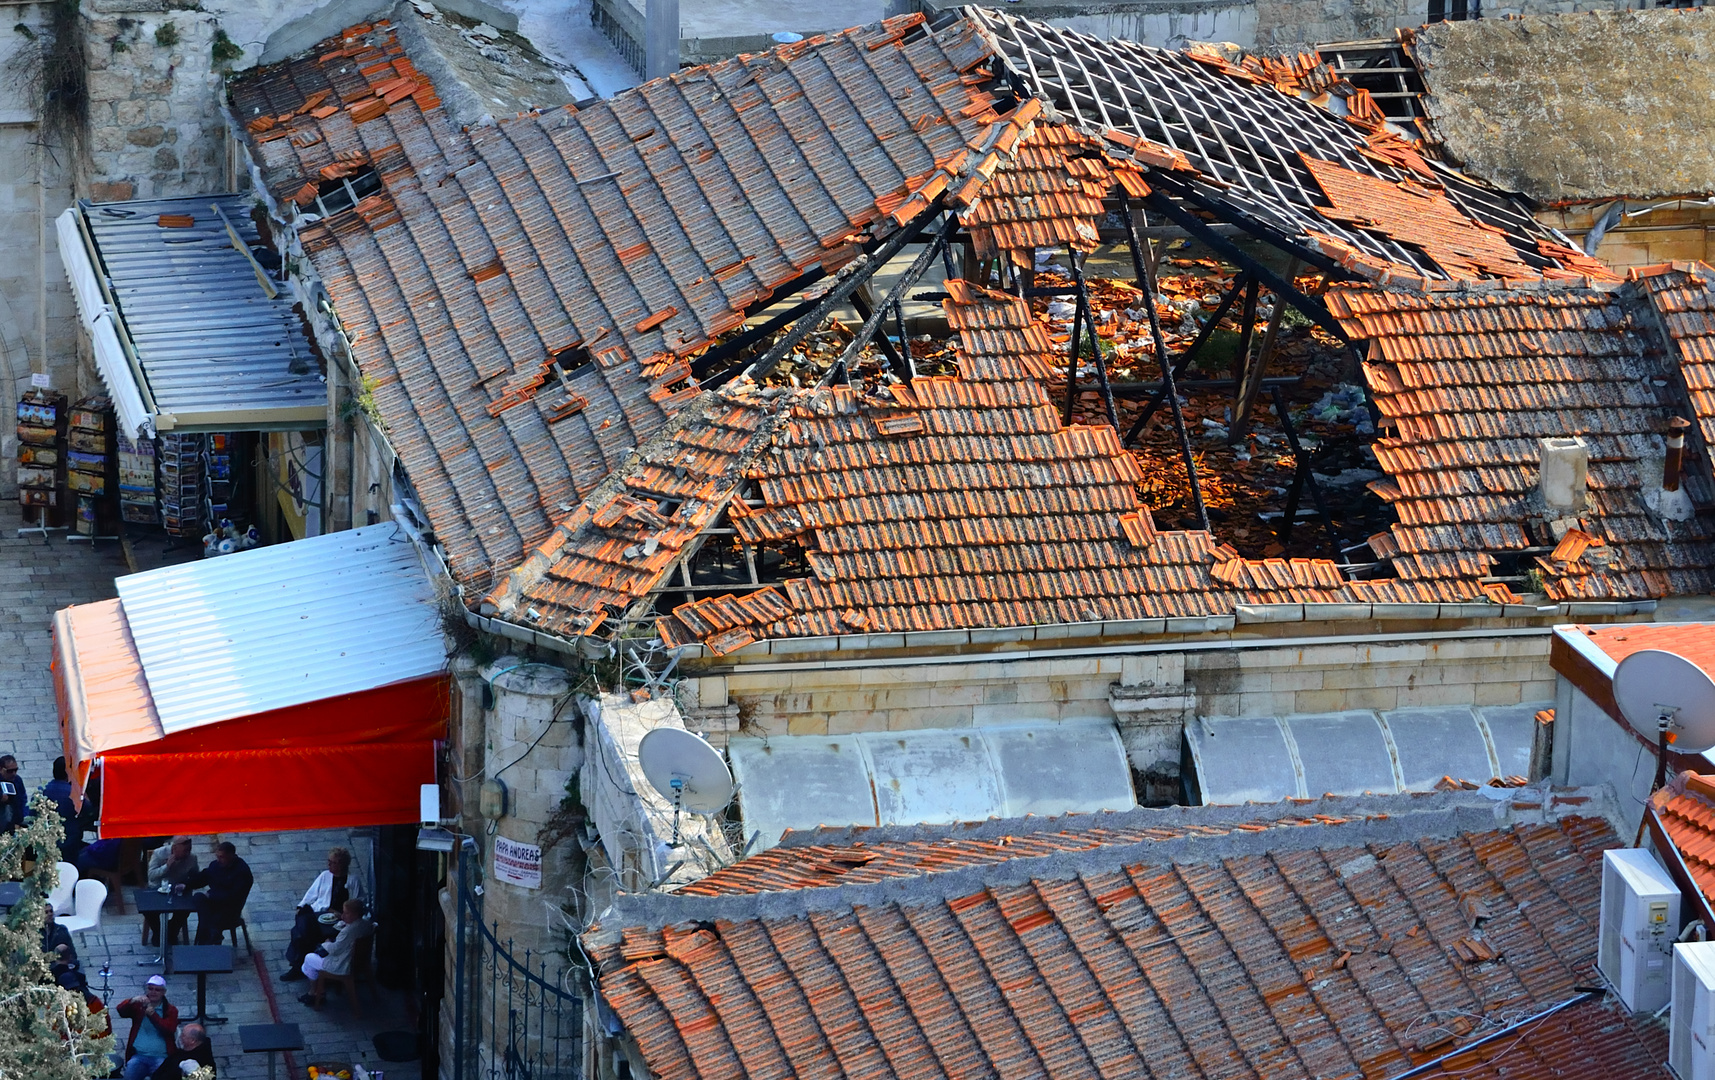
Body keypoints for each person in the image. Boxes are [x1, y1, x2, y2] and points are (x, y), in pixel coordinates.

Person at [283, 846, 364, 981]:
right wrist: (301, 905)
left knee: (303, 932)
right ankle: (298, 965)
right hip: (320, 913)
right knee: (300, 929)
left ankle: (306, 965)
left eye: (333, 862)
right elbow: (312, 893)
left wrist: (342, 913)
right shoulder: (325, 876)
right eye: (329, 861)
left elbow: (358, 903)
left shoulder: (353, 880)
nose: (329, 865)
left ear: (342, 864)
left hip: (340, 920)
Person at [297, 898, 374, 1010]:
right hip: (360, 961)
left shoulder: (348, 932)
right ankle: (318, 991)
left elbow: (334, 949)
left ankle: (315, 992)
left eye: (346, 913)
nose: (343, 916)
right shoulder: (367, 925)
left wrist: (326, 943)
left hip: (343, 964)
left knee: (308, 959)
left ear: (356, 914)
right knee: (309, 963)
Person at [185, 842, 253, 945]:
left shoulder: (242, 872)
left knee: (209, 920)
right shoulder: (216, 865)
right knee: (198, 898)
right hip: (213, 904)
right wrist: (186, 885)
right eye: (218, 856)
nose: (218, 860)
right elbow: (204, 877)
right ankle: (208, 939)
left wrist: (212, 896)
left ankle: (206, 941)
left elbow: (234, 896)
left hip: (229, 909)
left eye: (222, 857)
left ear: (230, 856)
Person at [115, 976, 178, 1080]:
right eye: (150, 988)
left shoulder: (170, 1010)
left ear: (164, 992)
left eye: (157, 990)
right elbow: (121, 1011)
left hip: (161, 1057)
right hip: (139, 1056)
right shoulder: (139, 1006)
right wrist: (131, 1000)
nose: (153, 992)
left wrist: (153, 1015)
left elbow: (169, 1030)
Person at [144, 836, 196, 948]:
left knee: (185, 909)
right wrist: (166, 867)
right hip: (158, 888)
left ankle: (172, 931)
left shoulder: (192, 858)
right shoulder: (159, 854)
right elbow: (151, 876)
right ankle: (158, 933)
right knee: (148, 910)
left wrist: (186, 884)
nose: (187, 853)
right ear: (175, 848)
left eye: (189, 850)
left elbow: (195, 876)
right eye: (184, 851)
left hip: (177, 889)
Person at [41, 757, 83, 861]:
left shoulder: (42, 791)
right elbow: (87, 809)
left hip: (47, 840)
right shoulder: (74, 794)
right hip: (70, 840)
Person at [150, 1023, 214, 1080]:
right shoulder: (178, 1054)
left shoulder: (204, 1059)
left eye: (183, 1035)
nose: (180, 1037)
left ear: (192, 1040)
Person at [0, 754, 24, 832]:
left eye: (15, 770)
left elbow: (23, 798)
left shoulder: (17, 780)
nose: (14, 773)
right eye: (10, 771)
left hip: (15, 821)